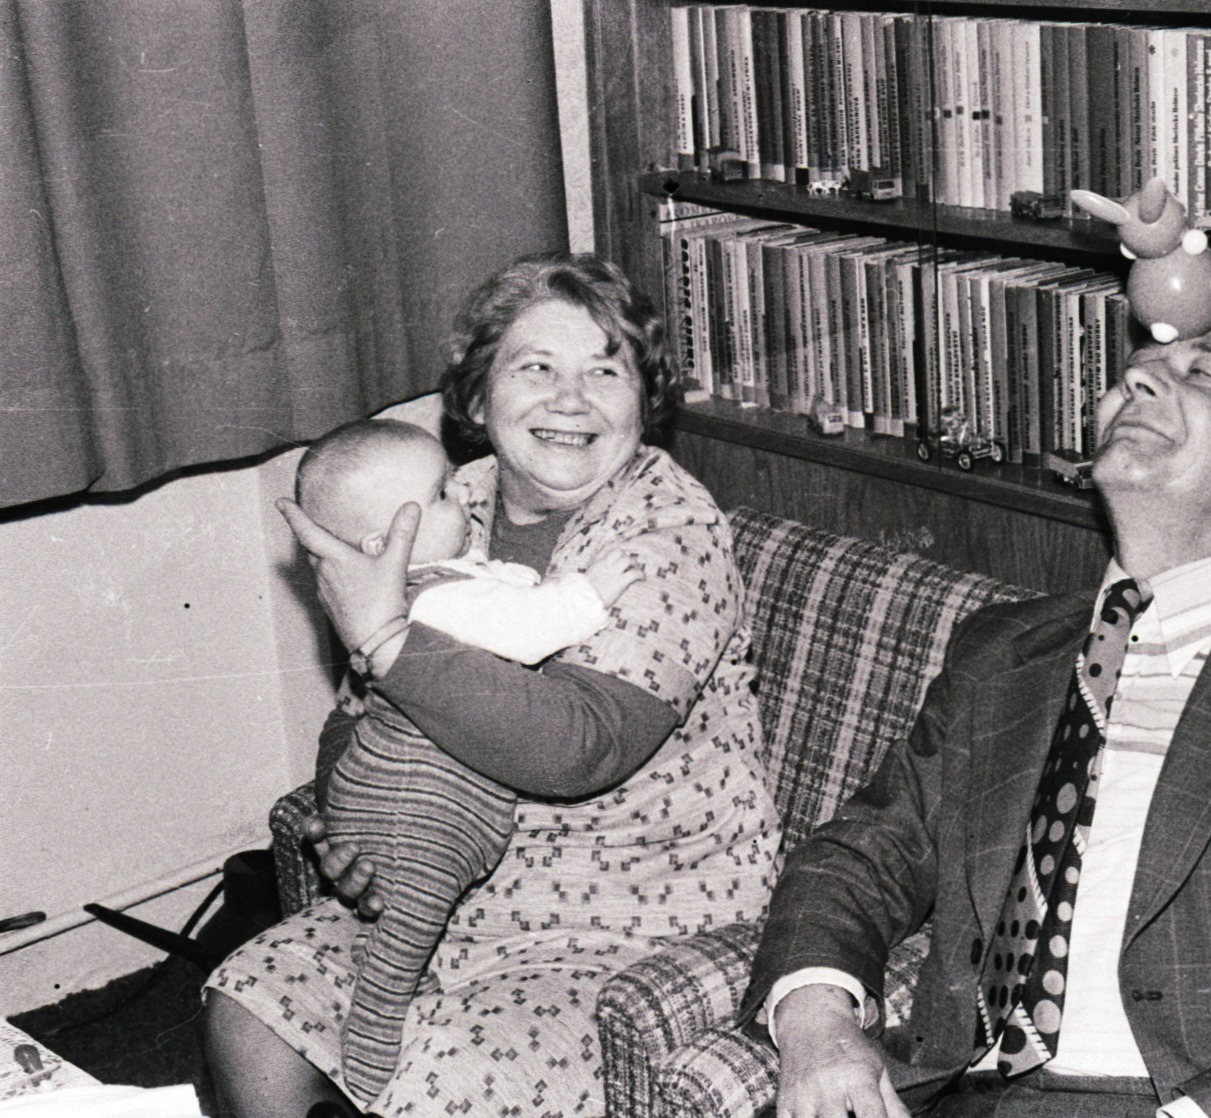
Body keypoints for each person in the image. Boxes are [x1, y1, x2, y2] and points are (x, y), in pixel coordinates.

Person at [744, 319, 1211, 1118]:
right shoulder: (1001, 649)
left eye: (1204, 375)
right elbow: (862, 855)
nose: (1136, 383)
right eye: (1135, 370)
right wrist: (817, 1024)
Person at [205, 253, 781, 1118]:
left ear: (644, 404)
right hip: (450, 886)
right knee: (249, 1000)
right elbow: (358, 719)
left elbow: (582, 745)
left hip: (635, 916)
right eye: (536, 368)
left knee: (444, 1077)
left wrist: (387, 640)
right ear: (476, 401)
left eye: (606, 370)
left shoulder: (667, 530)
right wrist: (355, 829)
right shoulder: (432, 501)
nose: (571, 399)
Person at [291, 416, 642, 1104]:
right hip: (416, 807)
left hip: (415, 800)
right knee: (404, 935)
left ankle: (400, 1006)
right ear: (385, 543)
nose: (465, 499)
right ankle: (372, 1054)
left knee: (410, 925)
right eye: (444, 493)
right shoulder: (438, 598)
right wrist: (591, 592)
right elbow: (528, 626)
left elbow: (498, 587)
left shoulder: (436, 584)